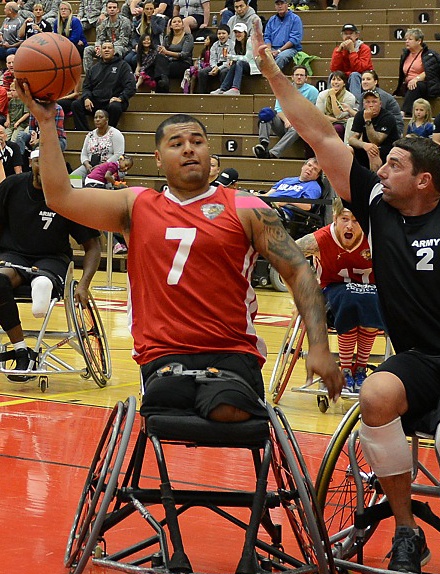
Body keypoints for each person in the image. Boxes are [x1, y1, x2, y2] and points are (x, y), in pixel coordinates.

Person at [252, 30, 440, 574]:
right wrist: (271, 72)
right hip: (418, 359)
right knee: (376, 395)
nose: (381, 172)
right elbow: (318, 134)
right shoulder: (378, 208)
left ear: (424, 180)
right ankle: (408, 530)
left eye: (394, 166)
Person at [16, 87, 343, 418]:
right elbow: (59, 196)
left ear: (208, 151)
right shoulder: (136, 205)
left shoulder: (247, 207)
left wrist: (319, 346)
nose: (189, 149)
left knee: (228, 410)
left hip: (231, 350)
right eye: (177, 144)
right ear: (158, 158)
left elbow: (299, 270)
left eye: (197, 142)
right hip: (161, 353)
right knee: (167, 406)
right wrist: (46, 123)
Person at [0, 149, 101, 381]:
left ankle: (42, 284)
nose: (42, 168)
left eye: (48, 163)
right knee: (0, 279)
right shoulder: (11, 187)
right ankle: (22, 350)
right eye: (38, 162)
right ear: (30, 163)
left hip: (52, 259)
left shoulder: (69, 196)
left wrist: (84, 284)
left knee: (44, 279)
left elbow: (92, 246)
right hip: (14, 256)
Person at [296, 197, 384, 393]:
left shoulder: (377, 239)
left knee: (373, 300)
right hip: (331, 295)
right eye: (345, 219)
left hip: (370, 294)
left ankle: (360, 369)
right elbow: (286, 256)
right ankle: (345, 370)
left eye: (356, 220)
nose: (350, 225)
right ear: (334, 218)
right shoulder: (319, 240)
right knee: (348, 298)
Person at [253, 65, 318, 159]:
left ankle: (273, 154)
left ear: (306, 78)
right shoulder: (284, 89)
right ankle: (264, 144)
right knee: (266, 113)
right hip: (284, 123)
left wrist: (295, 121)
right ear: (292, 77)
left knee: (297, 127)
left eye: (302, 75)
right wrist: (286, 120)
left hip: (301, 126)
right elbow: (278, 109)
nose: (299, 77)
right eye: (297, 75)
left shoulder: (312, 91)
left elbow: (312, 113)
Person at [72, 42, 137, 131]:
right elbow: (86, 87)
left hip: (112, 102)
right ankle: (85, 133)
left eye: (109, 48)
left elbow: (131, 85)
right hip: (95, 102)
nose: (107, 50)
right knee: (76, 105)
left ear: (114, 51)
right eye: (104, 48)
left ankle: (108, 132)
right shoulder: (94, 68)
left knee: (115, 107)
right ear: (100, 51)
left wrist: (121, 98)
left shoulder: (123, 66)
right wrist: (86, 98)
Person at [393, 27, 440, 119]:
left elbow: (431, 71)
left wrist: (416, 79)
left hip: (427, 85)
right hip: (408, 84)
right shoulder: (405, 55)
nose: (407, 41)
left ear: (419, 41)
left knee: (415, 86)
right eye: (406, 39)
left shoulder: (429, 55)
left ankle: (404, 112)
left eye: (410, 39)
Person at [348, 89, 400, 172]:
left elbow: (376, 141)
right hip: (368, 147)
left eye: (374, 102)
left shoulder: (388, 117)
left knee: (373, 151)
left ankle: (375, 182)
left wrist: (368, 120)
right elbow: (352, 139)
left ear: (380, 104)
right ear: (363, 104)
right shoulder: (360, 114)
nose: (371, 105)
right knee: (348, 149)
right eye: (367, 102)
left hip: (387, 149)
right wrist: (364, 145)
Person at [70, 109, 126, 179]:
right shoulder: (90, 134)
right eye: (95, 117)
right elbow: (84, 154)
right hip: (91, 166)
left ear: (107, 120)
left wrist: (102, 165)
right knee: (73, 178)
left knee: (97, 178)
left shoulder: (115, 134)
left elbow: (118, 155)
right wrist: (87, 164)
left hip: (109, 167)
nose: (97, 119)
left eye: (101, 117)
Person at [210, 22, 259, 96]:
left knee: (239, 62)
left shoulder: (250, 42)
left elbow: (247, 59)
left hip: (254, 67)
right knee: (235, 63)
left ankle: (236, 88)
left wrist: (231, 57)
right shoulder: (237, 43)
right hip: (244, 66)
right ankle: (223, 88)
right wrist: (233, 60)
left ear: (245, 33)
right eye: (236, 32)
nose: (237, 34)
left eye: (239, 32)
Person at [82, 0, 132, 73]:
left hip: (123, 48)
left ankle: (112, 74)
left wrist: (107, 47)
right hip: (106, 47)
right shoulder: (103, 23)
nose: (112, 9)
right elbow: (99, 38)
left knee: (115, 50)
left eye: (114, 7)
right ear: (106, 9)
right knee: (88, 49)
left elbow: (124, 41)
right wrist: (98, 47)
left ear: (118, 10)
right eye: (110, 7)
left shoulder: (125, 22)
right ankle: (89, 75)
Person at [329, 23, 373, 102]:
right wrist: (338, 52)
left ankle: (355, 104)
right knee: (333, 75)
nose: (348, 36)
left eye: (351, 33)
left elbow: (360, 68)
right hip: (345, 77)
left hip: (361, 78)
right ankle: (330, 101)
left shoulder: (364, 48)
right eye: (345, 34)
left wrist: (352, 51)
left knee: (354, 75)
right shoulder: (339, 49)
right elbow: (334, 69)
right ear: (342, 36)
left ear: (357, 35)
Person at [154, 15, 194, 93]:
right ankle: (163, 86)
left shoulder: (188, 37)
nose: (177, 23)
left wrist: (167, 52)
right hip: (169, 61)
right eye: (174, 22)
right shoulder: (167, 37)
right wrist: (163, 52)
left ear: (183, 25)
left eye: (179, 22)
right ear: (171, 26)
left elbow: (184, 55)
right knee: (158, 58)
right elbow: (163, 52)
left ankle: (164, 84)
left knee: (163, 69)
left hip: (183, 63)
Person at [189, 24, 233, 94]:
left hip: (226, 65)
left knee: (224, 72)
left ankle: (224, 91)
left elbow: (230, 60)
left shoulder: (232, 44)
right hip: (215, 65)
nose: (221, 35)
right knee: (202, 72)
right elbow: (212, 59)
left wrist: (218, 68)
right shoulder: (215, 45)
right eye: (219, 34)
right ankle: (203, 94)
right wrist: (214, 67)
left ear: (228, 34)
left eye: (223, 33)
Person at [124, 0, 167, 70]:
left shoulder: (160, 20)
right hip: (141, 47)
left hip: (153, 47)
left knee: (134, 59)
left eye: (151, 9)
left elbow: (157, 31)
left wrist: (152, 18)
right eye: (147, 9)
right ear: (143, 10)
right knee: (127, 59)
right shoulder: (140, 22)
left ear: (154, 10)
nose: (149, 11)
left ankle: (143, 75)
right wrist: (135, 45)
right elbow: (134, 37)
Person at [315, 71, 357, 141]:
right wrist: (337, 120)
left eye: (339, 80)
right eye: (333, 79)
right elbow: (320, 115)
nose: (336, 82)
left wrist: (332, 96)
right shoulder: (322, 94)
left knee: (336, 129)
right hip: (325, 121)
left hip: (342, 124)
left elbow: (339, 115)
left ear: (344, 83)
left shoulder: (349, 97)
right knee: (310, 131)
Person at [263, 0, 303, 71]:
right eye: (277, 4)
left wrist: (279, 50)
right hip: (272, 48)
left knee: (281, 57)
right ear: (275, 7)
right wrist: (269, 50)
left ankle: (272, 77)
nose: (280, 6)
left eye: (282, 4)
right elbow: (267, 37)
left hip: (290, 49)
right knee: (261, 55)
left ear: (287, 5)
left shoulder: (295, 19)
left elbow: (294, 39)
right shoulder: (272, 20)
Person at [361, 70, 404, 135]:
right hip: (376, 123)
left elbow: (374, 115)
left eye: (368, 79)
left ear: (375, 82)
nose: (365, 82)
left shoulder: (381, 95)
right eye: (363, 79)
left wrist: (350, 110)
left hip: (392, 127)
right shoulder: (363, 95)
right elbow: (360, 114)